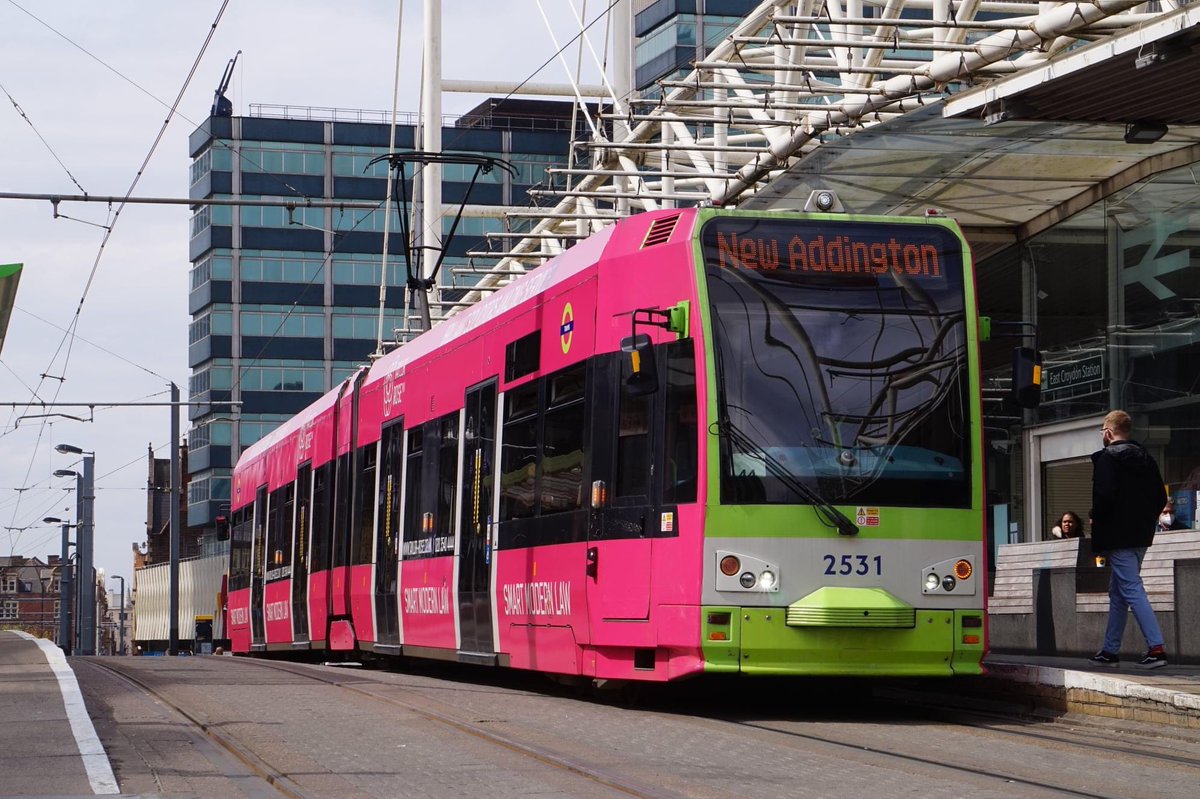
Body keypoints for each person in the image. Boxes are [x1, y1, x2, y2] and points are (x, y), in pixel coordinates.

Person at [1088, 410, 1169, 669]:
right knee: (1119, 591)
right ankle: (1110, 650)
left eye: (1102, 431)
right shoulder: (1146, 458)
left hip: (1118, 536)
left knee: (1131, 588)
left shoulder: (1107, 459)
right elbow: (1160, 497)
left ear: (1109, 432)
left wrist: (1096, 517)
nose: (1102, 435)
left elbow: (1104, 495)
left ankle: (1156, 648)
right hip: (1141, 536)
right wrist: (1143, 520)